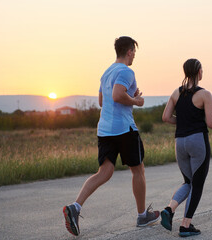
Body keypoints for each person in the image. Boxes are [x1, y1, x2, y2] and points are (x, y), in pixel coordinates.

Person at [63, 36, 159, 236]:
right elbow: (117, 96)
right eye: (134, 52)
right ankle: (142, 216)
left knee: (104, 172)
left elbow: (102, 100)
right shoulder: (126, 70)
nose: (134, 57)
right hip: (124, 129)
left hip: (105, 129)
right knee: (138, 169)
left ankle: (75, 207)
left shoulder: (106, 72)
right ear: (130, 51)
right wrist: (137, 100)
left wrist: (130, 95)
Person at [160, 58, 212, 237]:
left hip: (180, 142)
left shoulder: (176, 93)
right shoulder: (204, 94)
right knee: (197, 184)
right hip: (197, 141)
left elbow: (166, 117)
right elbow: (211, 123)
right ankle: (185, 225)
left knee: (188, 182)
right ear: (199, 71)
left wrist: (183, 122)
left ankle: (169, 209)